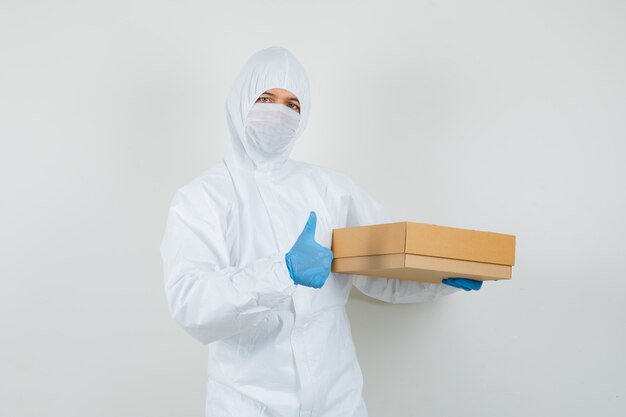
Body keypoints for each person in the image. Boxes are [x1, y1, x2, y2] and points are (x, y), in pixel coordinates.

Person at [159, 46, 481, 417]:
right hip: (247, 403)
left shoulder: (330, 189)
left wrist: (439, 278)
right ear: (240, 100)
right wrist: (284, 272)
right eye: (266, 98)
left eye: (292, 105)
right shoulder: (202, 198)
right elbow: (191, 303)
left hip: (337, 399)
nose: (279, 112)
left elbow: (380, 268)